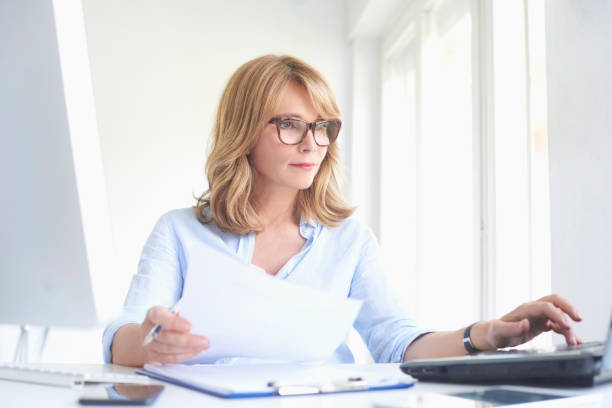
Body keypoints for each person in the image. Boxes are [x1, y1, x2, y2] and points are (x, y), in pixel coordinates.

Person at [103, 55, 582, 367]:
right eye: (290, 125)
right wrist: (149, 340)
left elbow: (397, 343)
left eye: (322, 126)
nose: (312, 142)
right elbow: (119, 337)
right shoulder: (180, 232)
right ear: (244, 132)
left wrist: (487, 334)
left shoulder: (349, 240)